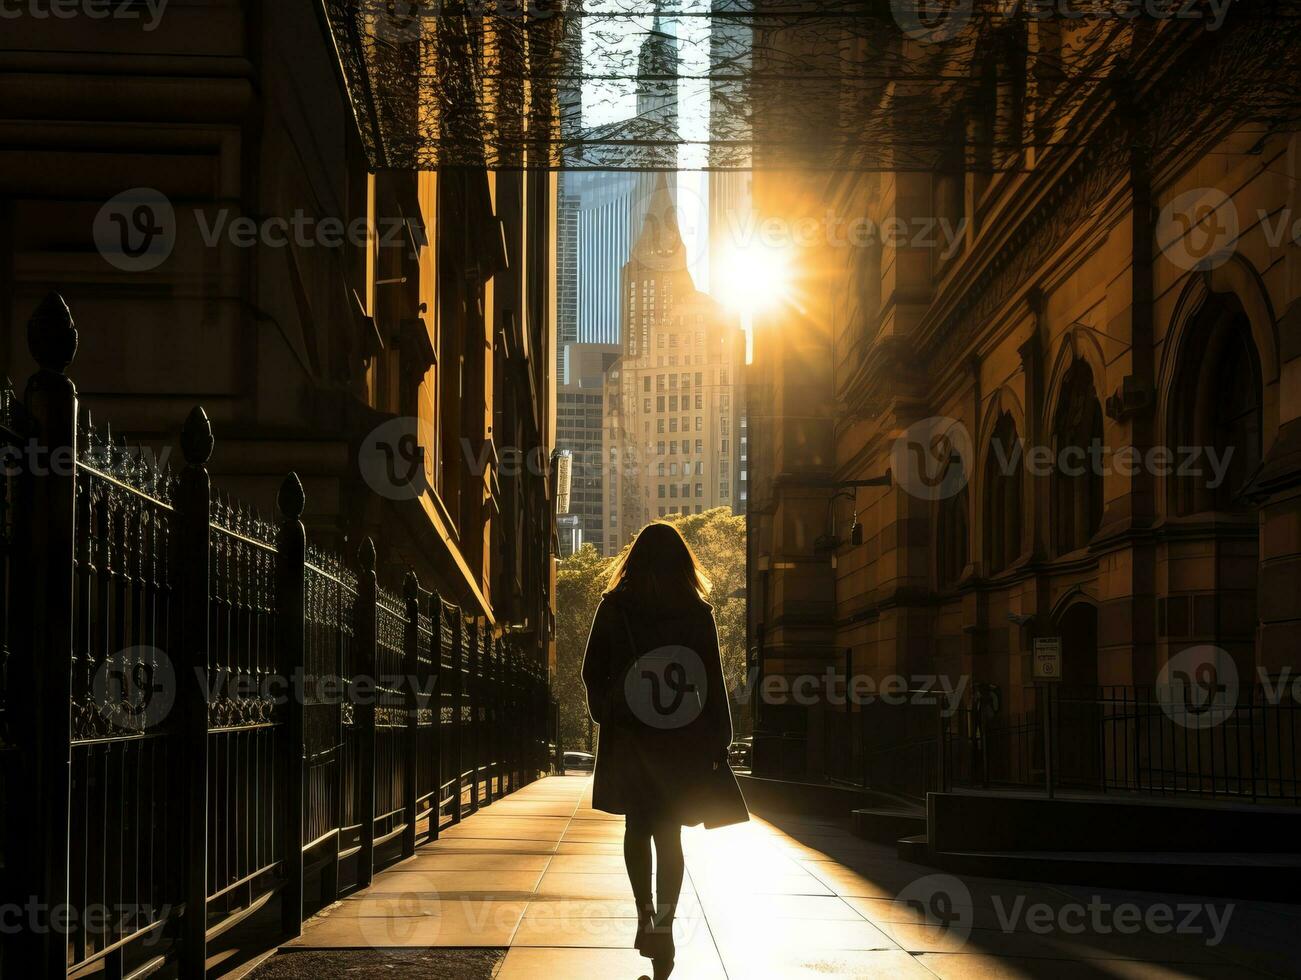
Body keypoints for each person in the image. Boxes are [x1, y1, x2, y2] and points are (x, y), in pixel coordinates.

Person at [582, 522, 749, 980]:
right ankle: (666, 923)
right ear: (682, 562)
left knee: (637, 826)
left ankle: (643, 912)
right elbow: (713, 682)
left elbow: (590, 670)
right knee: (669, 835)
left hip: (633, 738)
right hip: (681, 741)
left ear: (633, 560)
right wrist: (722, 738)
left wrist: (608, 711)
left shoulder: (615, 608)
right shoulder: (696, 613)